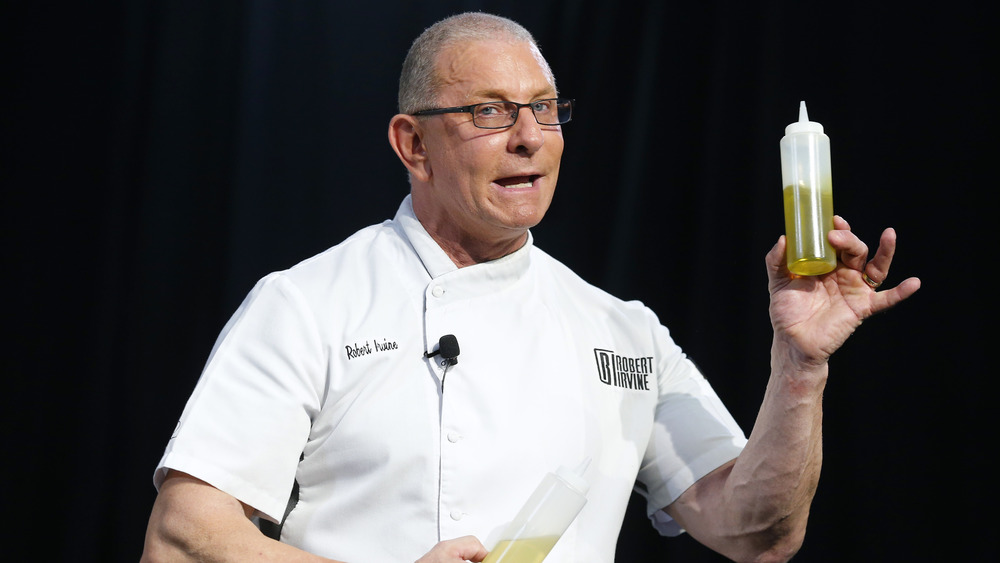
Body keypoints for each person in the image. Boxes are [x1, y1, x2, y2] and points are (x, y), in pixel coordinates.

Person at [140, 11, 920, 563]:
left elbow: (758, 533)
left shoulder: (622, 331)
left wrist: (801, 365)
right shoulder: (307, 303)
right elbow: (182, 536)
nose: (528, 137)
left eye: (545, 110)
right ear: (413, 144)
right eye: (490, 111)